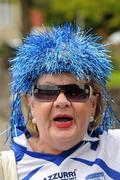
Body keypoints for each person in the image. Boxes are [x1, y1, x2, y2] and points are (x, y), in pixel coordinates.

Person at [1, 24, 120, 180]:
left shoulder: (115, 149)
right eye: (47, 92)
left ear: (93, 104)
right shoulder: (7, 169)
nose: (61, 102)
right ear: (31, 103)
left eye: (75, 91)